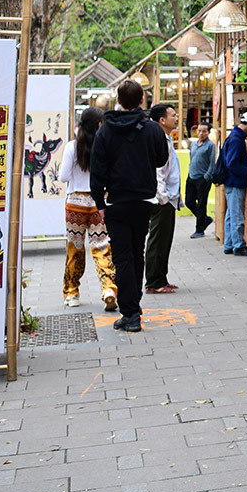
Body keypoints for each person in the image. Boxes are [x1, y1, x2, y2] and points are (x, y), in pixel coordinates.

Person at [89, 79, 169, 333]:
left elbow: (97, 170)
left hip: (116, 202)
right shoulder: (153, 130)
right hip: (144, 201)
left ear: (119, 101)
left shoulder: (105, 131)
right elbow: (161, 159)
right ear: (142, 100)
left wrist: (99, 202)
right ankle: (133, 305)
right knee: (136, 252)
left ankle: (131, 312)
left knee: (122, 256)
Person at [56, 107, 117, 311]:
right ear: (99, 124)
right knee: (102, 246)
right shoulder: (106, 146)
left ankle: (72, 292)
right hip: (99, 201)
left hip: (75, 201)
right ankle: (108, 287)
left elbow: (63, 177)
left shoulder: (72, 147)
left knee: (75, 247)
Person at [144, 104, 181, 294]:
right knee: (157, 240)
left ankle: (162, 278)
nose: (177, 118)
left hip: (169, 198)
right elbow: (158, 171)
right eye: (173, 115)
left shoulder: (166, 138)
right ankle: (153, 281)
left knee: (165, 240)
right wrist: (163, 197)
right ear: (162, 120)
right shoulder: (157, 140)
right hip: (161, 199)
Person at [220, 112, 247, 257]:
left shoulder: (234, 137)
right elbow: (232, 163)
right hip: (235, 182)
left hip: (231, 182)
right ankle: (238, 245)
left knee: (231, 214)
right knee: (237, 215)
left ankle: (229, 244)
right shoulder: (237, 140)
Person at [185, 123, 215, 238]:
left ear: (208, 132)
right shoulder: (193, 144)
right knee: (189, 202)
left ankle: (199, 229)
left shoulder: (210, 146)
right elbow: (192, 159)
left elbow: (212, 164)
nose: (201, 134)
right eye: (199, 131)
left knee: (202, 204)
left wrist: (206, 177)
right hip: (191, 177)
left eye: (204, 131)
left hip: (203, 179)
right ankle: (205, 219)